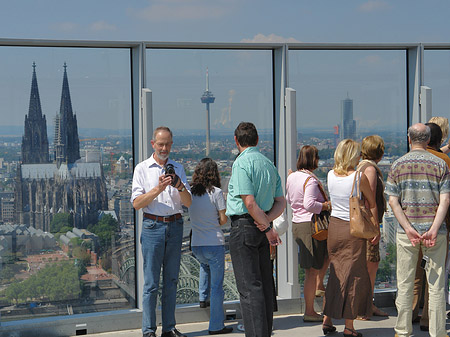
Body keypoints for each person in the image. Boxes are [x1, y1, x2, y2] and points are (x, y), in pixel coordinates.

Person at [385, 123, 450, 337]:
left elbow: (393, 201)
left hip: (407, 234)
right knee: (437, 285)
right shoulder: (441, 165)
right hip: (436, 234)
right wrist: (434, 228)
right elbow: (445, 199)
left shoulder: (397, 165)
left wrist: (408, 228)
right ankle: (438, 332)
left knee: (404, 281)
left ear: (409, 139)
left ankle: (402, 330)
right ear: (429, 139)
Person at [131, 126, 192, 337]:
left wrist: (179, 186)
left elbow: (188, 202)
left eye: (167, 144)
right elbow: (137, 204)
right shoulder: (142, 169)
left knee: (172, 280)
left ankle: (169, 328)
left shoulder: (178, 168)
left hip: (175, 226)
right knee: (151, 283)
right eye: (160, 144)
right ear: (153, 144)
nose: (164, 148)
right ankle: (148, 331)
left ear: (171, 144)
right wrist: (158, 189)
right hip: (153, 227)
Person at [226, 122, 285, 337]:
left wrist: (266, 225)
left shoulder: (242, 164)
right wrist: (266, 221)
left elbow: (249, 203)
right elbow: (281, 201)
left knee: (249, 289)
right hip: (260, 228)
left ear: (236, 140)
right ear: (257, 140)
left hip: (244, 227)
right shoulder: (268, 163)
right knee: (264, 286)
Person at [323, 139, 376, 337]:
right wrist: (375, 229)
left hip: (334, 228)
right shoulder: (358, 177)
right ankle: (349, 327)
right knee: (353, 276)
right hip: (353, 230)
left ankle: (327, 319)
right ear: (353, 156)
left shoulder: (329, 174)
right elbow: (371, 202)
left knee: (336, 273)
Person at [285, 145, 335, 334]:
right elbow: (309, 205)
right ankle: (310, 310)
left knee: (311, 269)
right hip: (311, 226)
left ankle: (313, 301)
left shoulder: (292, 177)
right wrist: (325, 205)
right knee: (312, 272)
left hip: (298, 224)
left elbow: (290, 200)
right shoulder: (311, 180)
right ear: (314, 160)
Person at [411, 122, 450, 331]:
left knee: (415, 273)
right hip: (437, 226)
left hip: (411, 227)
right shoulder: (443, 161)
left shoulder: (410, 160)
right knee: (434, 275)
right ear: (439, 139)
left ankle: (410, 313)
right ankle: (428, 320)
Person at [188, 158, 233, 335]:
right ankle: (216, 325)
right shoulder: (216, 192)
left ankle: (202, 297)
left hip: (196, 244)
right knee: (217, 287)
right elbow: (223, 219)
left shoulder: (191, 192)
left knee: (203, 265)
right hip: (214, 243)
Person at [356, 135, 388, 319]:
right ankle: (366, 307)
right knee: (371, 266)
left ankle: (365, 306)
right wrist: (375, 228)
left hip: (361, 225)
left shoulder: (359, 167)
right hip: (368, 226)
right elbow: (371, 201)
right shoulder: (370, 170)